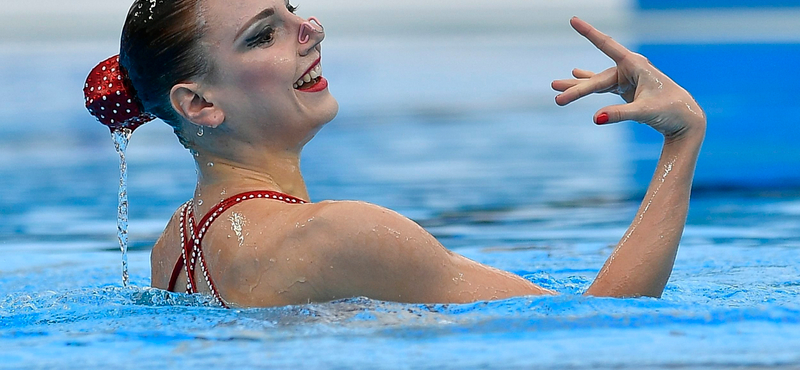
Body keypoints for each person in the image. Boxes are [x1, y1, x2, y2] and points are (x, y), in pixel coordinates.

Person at [101, 0, 705, 308]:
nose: (310, 27)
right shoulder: (342, 236)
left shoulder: (177, 245)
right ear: (199, 103)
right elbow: (599, 325)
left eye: (292, 8)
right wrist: (682, 138)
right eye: (264, 33)